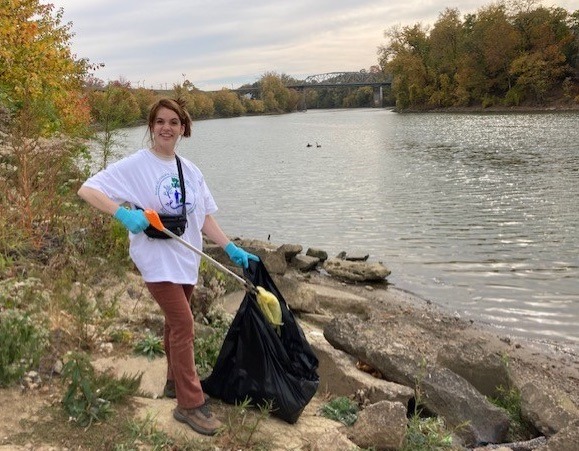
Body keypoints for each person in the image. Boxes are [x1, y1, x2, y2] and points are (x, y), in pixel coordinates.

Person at [77, 97, 259, 436]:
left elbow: (203, 217)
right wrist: (122, 213)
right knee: (184, 323)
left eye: (173, 122)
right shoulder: (136, 165)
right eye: (160, 121)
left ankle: (175, 382)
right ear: (151, 127)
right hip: (156, 261)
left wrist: (231, 247)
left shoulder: (190, 170)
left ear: (183, 128)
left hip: (186, 259)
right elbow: (88, 189)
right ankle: (190, 405)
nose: (166, 127)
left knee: (174, 327)